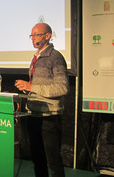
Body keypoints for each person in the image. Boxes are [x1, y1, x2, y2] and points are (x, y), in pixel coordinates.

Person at [15, 23, 69, 177]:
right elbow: (40, 86)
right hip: (34, 114)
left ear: (47, 36)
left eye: (37, 35)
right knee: (37, 159)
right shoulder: (36, 57)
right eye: (31, 35)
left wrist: (32, 87)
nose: (33, 39)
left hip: (49, 117)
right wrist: (28, 88)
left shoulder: (55, 57)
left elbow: (62, 88)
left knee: (53, 161)